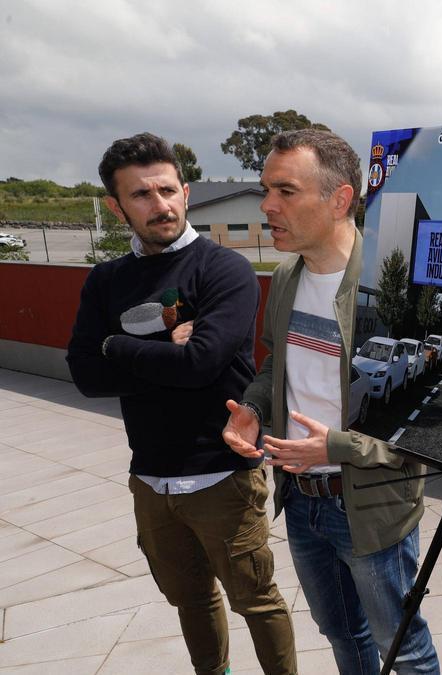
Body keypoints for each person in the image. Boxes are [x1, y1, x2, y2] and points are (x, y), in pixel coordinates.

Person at [66, 133, 296, 675]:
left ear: (186, 192)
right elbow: (84, 376)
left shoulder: (224, 270)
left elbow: (202, 366)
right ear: (115, 206)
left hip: (222, 477)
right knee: (191, 601)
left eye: (168, 190)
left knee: (255, 601)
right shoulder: (107, 280)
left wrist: (116, 347)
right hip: (149, 480)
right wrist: (159, 354)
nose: (160, 205)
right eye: (142, 195)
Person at [222, 128, 439, 674]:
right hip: (299, 499)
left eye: (286, 191)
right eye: (266, 189)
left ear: (340, 199)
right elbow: (278, 366)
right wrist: (253, 407)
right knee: (342, 633)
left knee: (402, 647)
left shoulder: (399, 287)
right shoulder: (288, 274)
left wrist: (334, 448)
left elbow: (428, 420)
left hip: (370, 505)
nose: (268, 205)